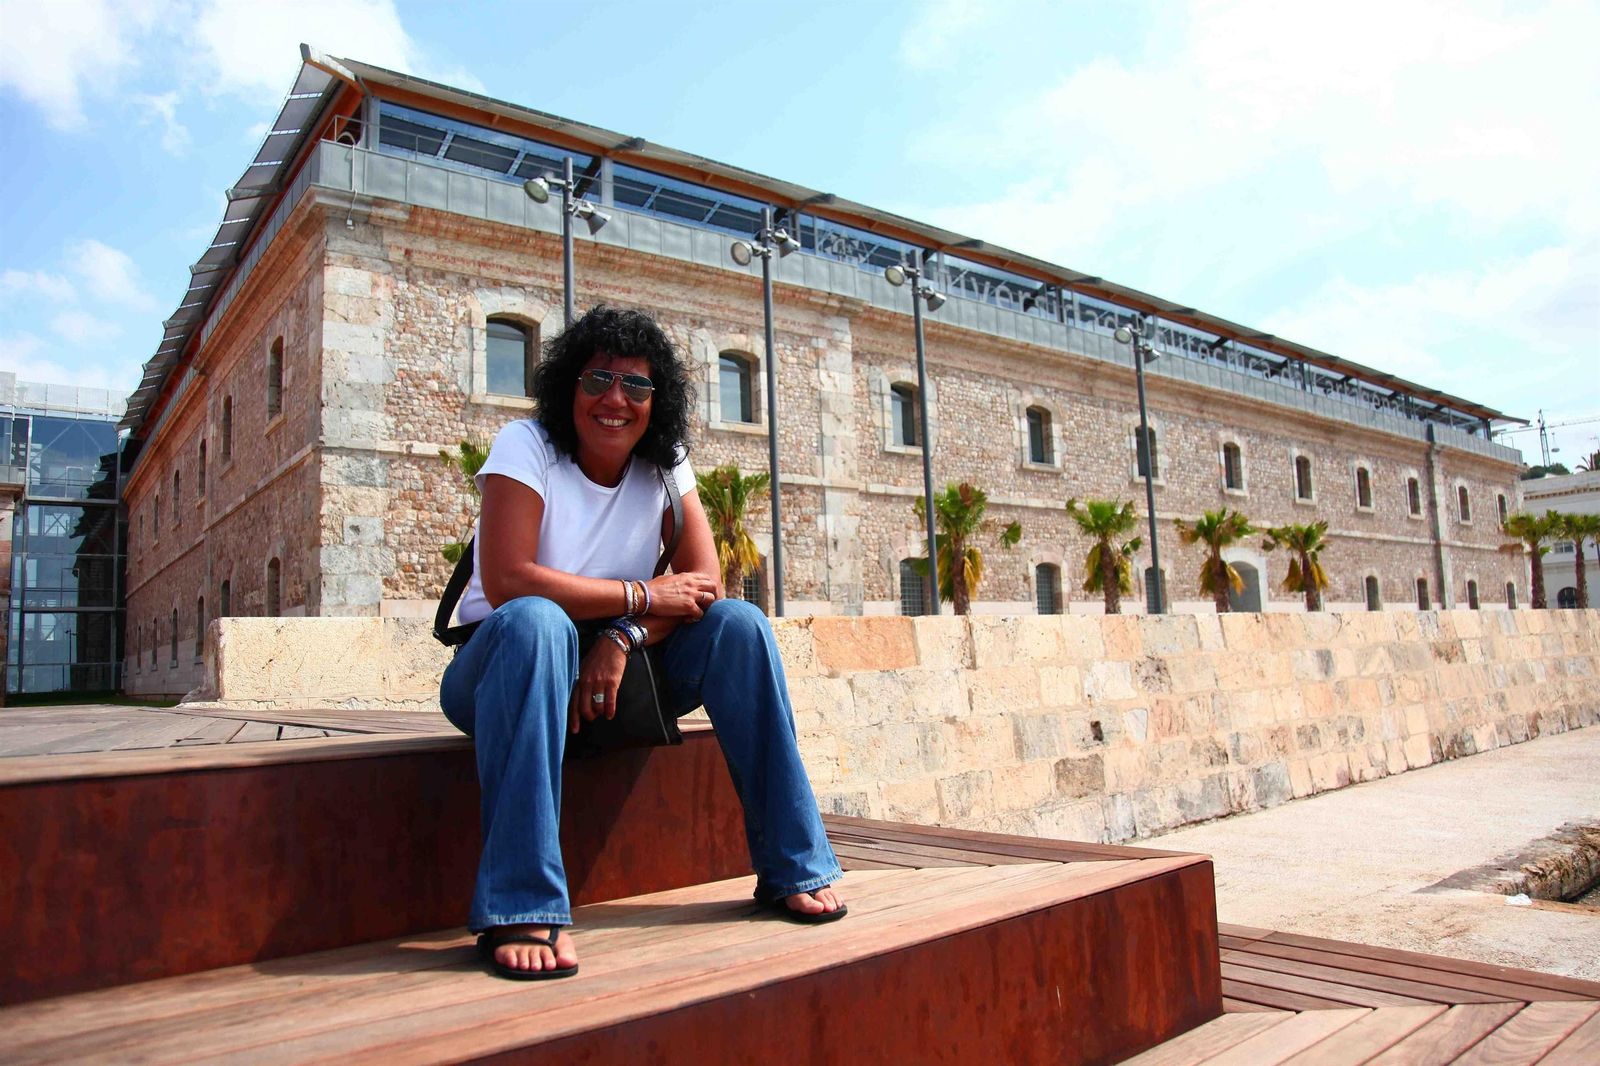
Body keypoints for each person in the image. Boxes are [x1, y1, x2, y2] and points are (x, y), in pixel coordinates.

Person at [440, 305, 845, 981]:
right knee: (539, 621)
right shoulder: (526, 445)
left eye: (636, 385)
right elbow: (510, 580)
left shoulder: (665, 463)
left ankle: (793, 865)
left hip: (622, 666)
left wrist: (623, 635)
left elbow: (704, 585)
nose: (616, 399)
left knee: (740, 626)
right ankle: (521, 902)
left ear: (658, 400)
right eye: (598, 379)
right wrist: (640, 596)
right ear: (569, 384)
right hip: (506, 664)